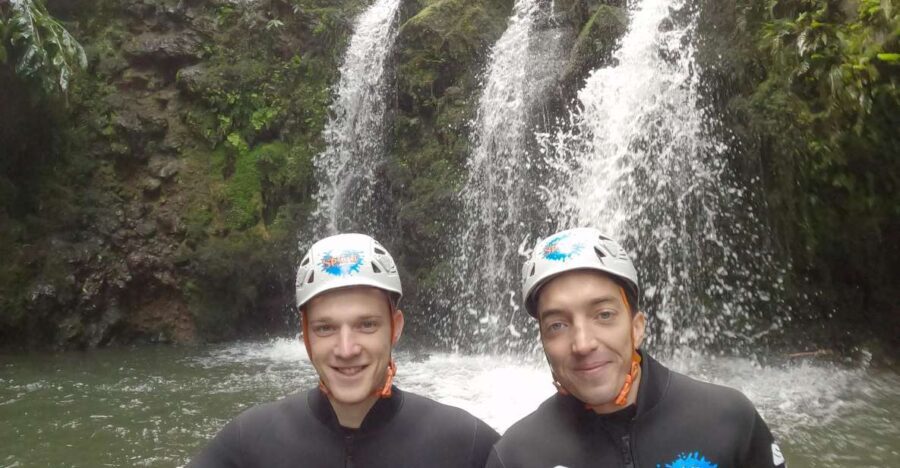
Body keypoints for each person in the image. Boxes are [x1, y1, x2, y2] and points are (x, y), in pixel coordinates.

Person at [189, 233, 499, 468]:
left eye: (366, 325)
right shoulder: (250, 443)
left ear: (396, 328)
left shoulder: (467, 445)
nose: (346, 348)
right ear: (306, 338)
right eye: (325, 328)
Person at [486, 227, 786, 468]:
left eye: (604, 315)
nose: (583, 343)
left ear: (637, 327)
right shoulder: (516, 456)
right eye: (557, 325)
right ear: (543, 341)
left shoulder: (729, 419)